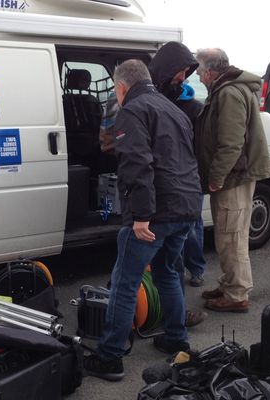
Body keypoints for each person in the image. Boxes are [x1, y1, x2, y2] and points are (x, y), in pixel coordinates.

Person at [83, 59, 202, 381]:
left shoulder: (132, 111)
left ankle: (110, 357)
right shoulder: (172, 108)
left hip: (156, 212)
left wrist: (141, 216)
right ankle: (177, 339)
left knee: (125, 283)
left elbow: (137, 163)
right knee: (168, 273)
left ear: (121, 87)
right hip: (186, 207)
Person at [194, 48, 270, 313]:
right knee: (229, 233)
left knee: (231, 236)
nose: (197, 74)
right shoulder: (227, 89)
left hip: (233, 177)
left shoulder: (228, 93)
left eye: (200, 70)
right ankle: (230, 284)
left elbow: (231, 144)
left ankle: (236, 294)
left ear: (211, 72)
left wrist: (216, 177)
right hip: (235, 175)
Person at [148, 41, 207, 326]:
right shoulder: (149, 103)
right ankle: (167, 322)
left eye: (187, 73)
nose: (183, 79)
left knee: (169, 266)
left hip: (175, 197)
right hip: (157, 199)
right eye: (181, 72)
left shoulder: (186, 105)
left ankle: (173, 322)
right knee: (147, 269)